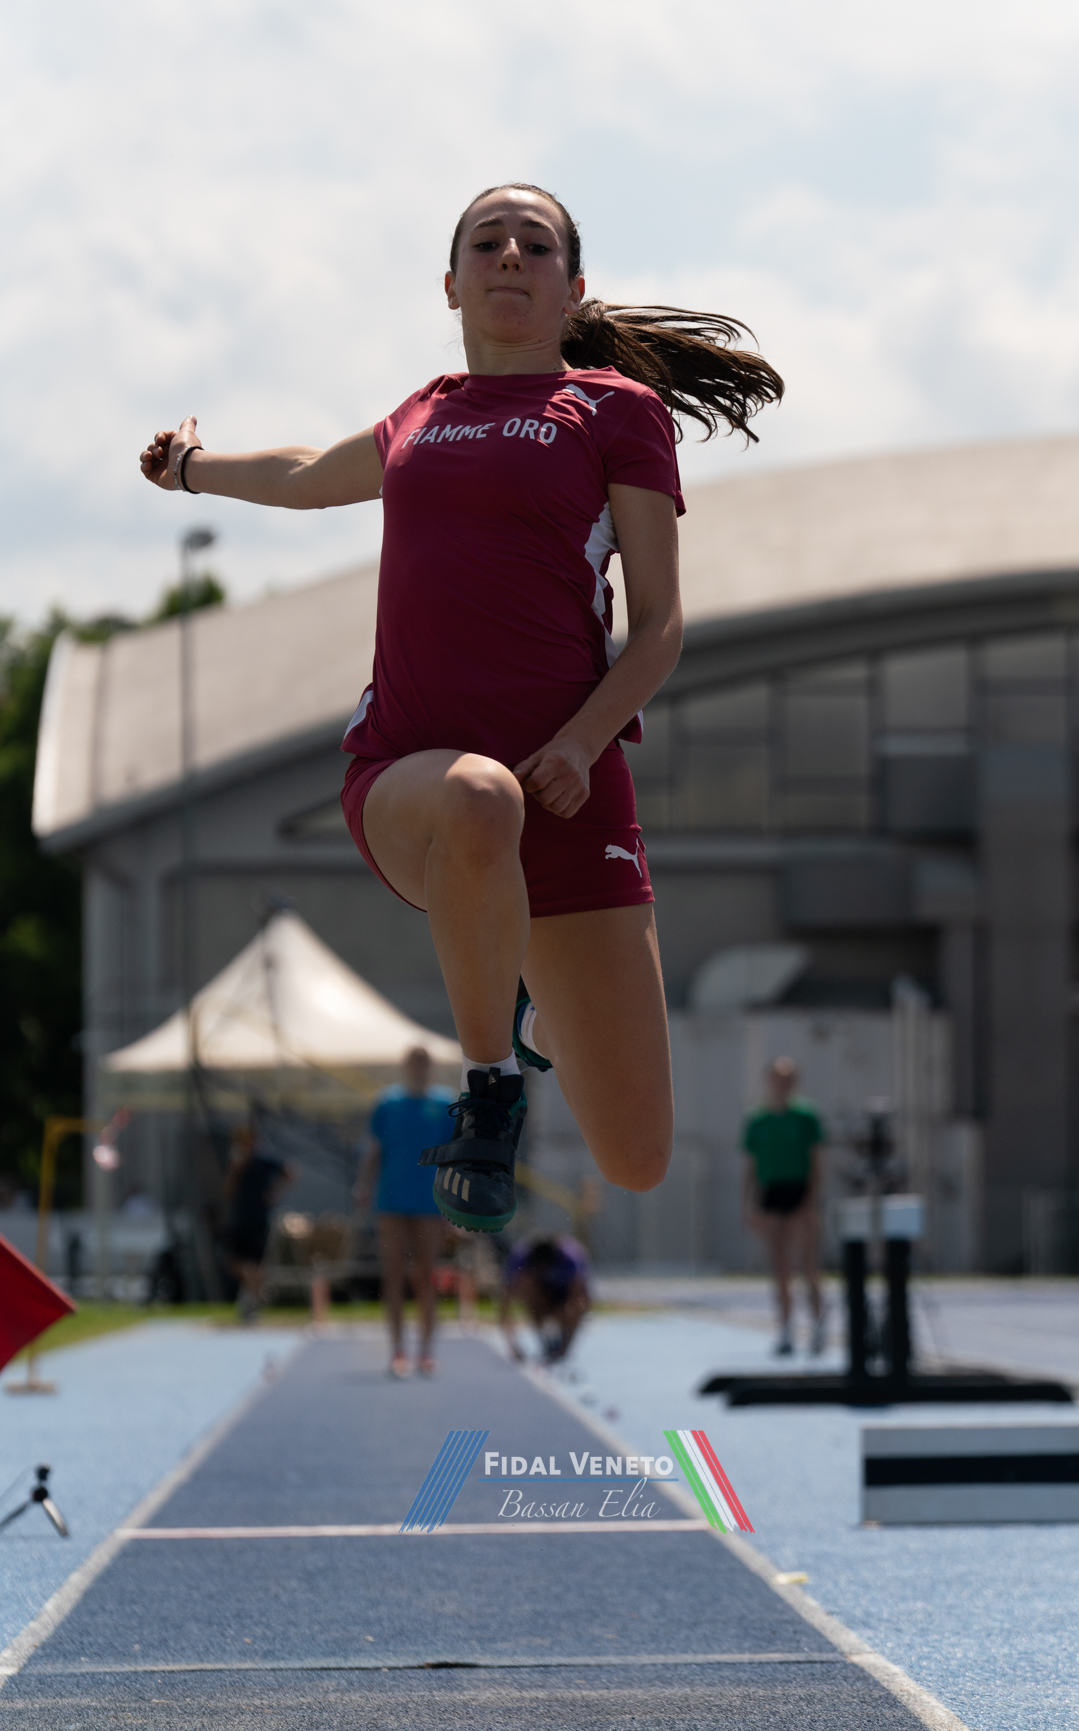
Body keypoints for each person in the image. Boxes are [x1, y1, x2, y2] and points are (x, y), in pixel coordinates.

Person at [141, 183, 782, 1238]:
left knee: (636, 1157)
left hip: (568, 787)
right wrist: (190, 469)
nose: (510, 255)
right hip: (415, 780)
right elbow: (305, 474)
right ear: (451, 284)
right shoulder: (420, 415)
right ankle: (489, 1091)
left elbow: (661, 624)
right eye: (488, 242)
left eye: (536, 244)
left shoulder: (617, 412)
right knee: (481, 800)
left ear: (573, 288)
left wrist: (580, 743)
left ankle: (528, 1002)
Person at [354, 1046, 454, 1377]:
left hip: (430, 1203)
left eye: (424, 1063)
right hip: (392, 1201)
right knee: (393, 1275)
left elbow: (452, 1155)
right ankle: (398, 1350)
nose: (419, 1068)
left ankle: (426, 1352)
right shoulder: (388, 1103)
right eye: (414, 1062)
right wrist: (364, 1185)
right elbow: (374, 1149)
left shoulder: (443, 1104)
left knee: (426, 1276)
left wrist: (456, 1200)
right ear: (405, 1066)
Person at [742, 1058, 826, 1357]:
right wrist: (749, 1205)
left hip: (799, 1193)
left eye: (788, 1079)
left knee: (808, 1265)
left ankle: (817, 1326)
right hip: (770, 1195)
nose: (783, 1084)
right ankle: (785, 1329)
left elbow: (816, 1163)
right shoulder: (757, 1120)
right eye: (778, 1078)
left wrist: (810, 1201)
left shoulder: (806, 1116)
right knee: (780, 1268)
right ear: (768, 1081)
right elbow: (750, 1167)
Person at [222, 1124, 295, 1322]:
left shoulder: (263, 1162)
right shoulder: (238, 1164)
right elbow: (228, 1190)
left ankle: (254, 1302)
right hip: (240, 1219)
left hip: (258, 1218)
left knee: (256, 1263)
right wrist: (236, 1169)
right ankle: (256, 1293)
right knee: (234, 1262)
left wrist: (274, 1192)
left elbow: (290, 1172)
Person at [500, 1233, 590, 1363]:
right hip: (540, 1291)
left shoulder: (571, 1258)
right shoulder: (520, 1259)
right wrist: (513, 1346)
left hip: (565, 1292)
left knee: (576, 1308)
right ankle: (544, 1338)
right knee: (527, 1285)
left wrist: (565, 1318)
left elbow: (581, 1299)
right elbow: (504, 1307)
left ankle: (563, 1350)